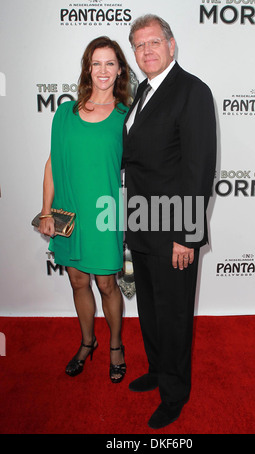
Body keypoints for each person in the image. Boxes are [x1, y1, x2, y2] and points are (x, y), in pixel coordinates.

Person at [122, 15, 216, 428]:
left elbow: (199, 169)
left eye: (154, 42)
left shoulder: (192, 91)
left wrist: (186, 236)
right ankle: (159, 370)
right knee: (151, 310)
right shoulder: (142, 91)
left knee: (175, 313)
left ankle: (175, 393)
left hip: (175, 229)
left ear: (172, 45)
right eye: (139, 45)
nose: (147, 51)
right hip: (140, 224)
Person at [39, 36, 130, 383]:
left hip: (105, 215)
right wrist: (46, 211)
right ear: (87, 68)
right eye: (96, 63)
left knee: (107, 284)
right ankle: (88, 342)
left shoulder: (126, 117)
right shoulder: (65, 113)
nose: (103, 70)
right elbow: (51, 164)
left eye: (110, 63)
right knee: (78, 281)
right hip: (67, 213)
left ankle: (116, 346)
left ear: (120, 69)